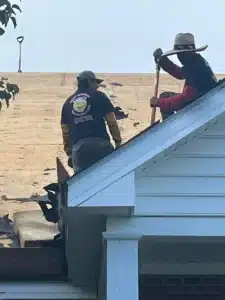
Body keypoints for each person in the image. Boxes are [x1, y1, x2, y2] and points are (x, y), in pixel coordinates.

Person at [61, 70, 122, 173]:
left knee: (82, 183)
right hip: (101, 145)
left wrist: (69, 153)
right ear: (89, 82)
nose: (97, 86)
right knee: (108, 178)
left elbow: (65, 130)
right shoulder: (99, 96)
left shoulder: (68, 103)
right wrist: (118, 142)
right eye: (95, 83)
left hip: (79, 150)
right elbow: (111, 121)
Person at [150, 33, 217, 120]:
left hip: (201, 104)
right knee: (166, 96)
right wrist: (164, 62)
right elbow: (181, 74)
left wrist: (160, 102)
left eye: (180, 54)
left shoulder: (193, 65)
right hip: (204, 100)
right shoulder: (196, 60)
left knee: (165, 97)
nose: (178, 57)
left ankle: (169, 130)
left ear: (186, 53)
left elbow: (186, 97)